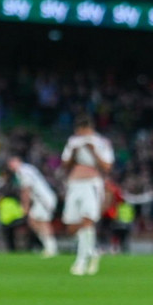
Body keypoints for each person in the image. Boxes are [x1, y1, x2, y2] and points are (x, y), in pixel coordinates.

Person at [61, 116, 114, 276]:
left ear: (88, 128)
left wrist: (93, 151)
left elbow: (107, 166)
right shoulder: (73, 142)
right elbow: (65, 164)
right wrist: (74, 153)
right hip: (74, 184)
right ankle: (92, 252)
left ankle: (80, 262)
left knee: (87, 220)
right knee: (71, 226)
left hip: (91, 183)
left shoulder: (101, 142)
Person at [8, 155, 60, 258]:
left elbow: (26, 190)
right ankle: (48, 246)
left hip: (43, 199)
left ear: (18, 161)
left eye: (12, 163)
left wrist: (25, 206)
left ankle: (51, 248)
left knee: (42, 222)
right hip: (41, 199)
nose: (11, 166)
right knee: (33, 221)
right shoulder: (28, 169)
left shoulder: (23, 171)